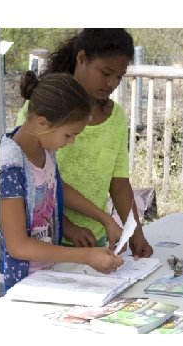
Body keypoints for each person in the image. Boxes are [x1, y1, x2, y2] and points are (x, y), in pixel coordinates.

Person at [16, 28, 153, 258]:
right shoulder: (44, 108)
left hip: (95, 240)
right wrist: (68, 226)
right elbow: (33, 183)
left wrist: (135, 233)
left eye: (119, 76)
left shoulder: (116, 117)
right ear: (81, 58)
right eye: (106, 72)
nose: (112, 83)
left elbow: (118, 183)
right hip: (44, 242)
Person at [1, 71, 124, 296]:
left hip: (43, 276)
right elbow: (18, 246)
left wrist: (100, 220)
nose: (71, 142)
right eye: (68, 135)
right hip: (14, 285)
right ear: (42, 122)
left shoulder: (45, 151)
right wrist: (87, 256)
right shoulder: (9, 167)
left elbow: (55, 189)